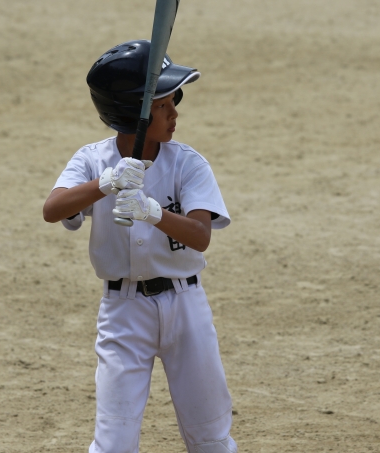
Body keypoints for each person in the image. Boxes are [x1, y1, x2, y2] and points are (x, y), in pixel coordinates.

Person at [43, 40, 238, 453]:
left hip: (186, 307)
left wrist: (152, 211)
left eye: (173, 102)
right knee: (113, 443)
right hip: (123, 312)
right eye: (163, 105)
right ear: (134, 113)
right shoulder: (92, 160)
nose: (175, 113)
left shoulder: (187, 163)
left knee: (211, 438)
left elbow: (200, 236)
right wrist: (106, 183)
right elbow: (53, 209)